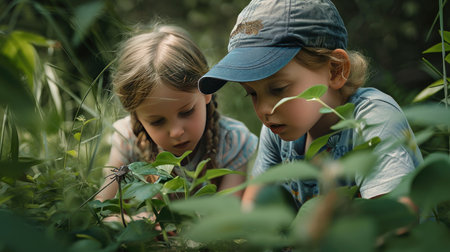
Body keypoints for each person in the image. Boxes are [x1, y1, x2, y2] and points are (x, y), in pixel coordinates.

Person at [198, 0, 422, 210]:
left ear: (335, 70)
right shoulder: (277, 131)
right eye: (252, 94)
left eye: (279, 89)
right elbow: (253, 214)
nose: (265, 109)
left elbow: (395, 222)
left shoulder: (372, 118)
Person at [95, 25, 258, 209]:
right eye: (157, 121)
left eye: (187, 111)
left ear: (207, 91)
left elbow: (228, 216)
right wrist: (142, 224)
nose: (176, 132)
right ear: (136, 116)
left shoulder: (232, 141)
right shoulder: (127, 138)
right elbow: (102, 207)